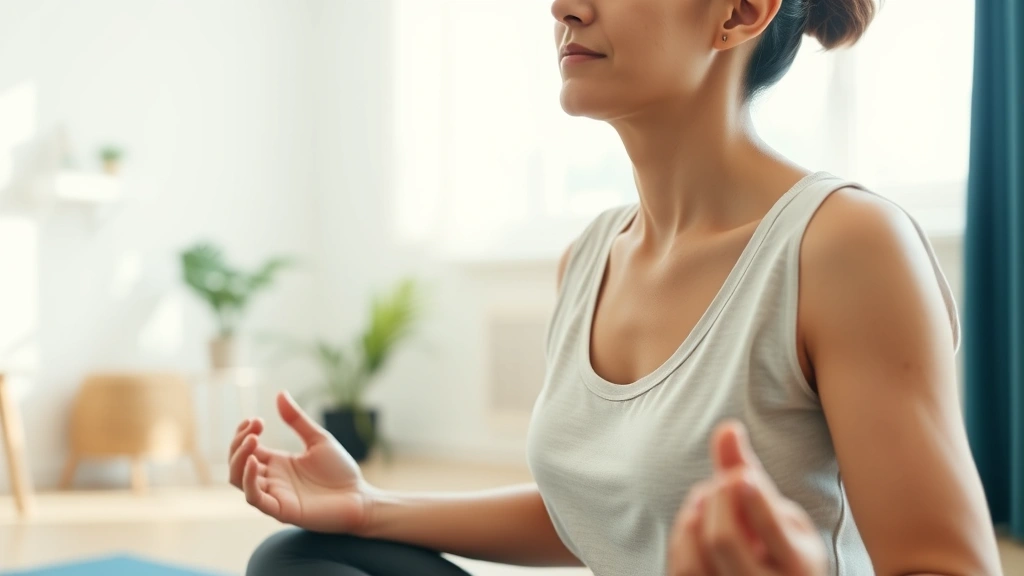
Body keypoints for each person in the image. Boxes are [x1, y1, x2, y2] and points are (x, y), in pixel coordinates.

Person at [231, 0, 1004, 574]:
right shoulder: (589, 257)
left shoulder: (846, 246)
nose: (564, 8)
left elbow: (948, 566)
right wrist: (369, 507)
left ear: (739, 13)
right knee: (305, 559)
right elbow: (603, 514)